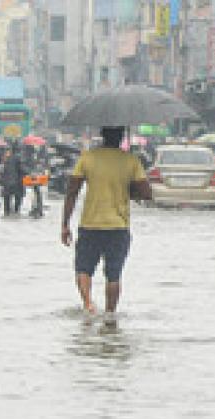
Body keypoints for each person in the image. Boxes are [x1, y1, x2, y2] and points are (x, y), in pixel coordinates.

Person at [61, 126, 151, 314]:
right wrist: (129, 188)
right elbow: (146, 193)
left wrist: (65, 224)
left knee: (83, 269)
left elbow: (72, 191)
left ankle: (88, 304)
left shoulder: (88, 157)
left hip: (90, 225)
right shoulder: (131, 160)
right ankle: (110, 315)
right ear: (121, 138)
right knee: (113, 275)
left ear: (102, 137)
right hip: (118, 226)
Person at [2, 147, 24, 215]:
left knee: (7, 198)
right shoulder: (19, 158)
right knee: (18, 197)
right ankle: (16, 211)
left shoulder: (6, 159)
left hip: (7, 182)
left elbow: (4, 170)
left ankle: (6, 212)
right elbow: (22, 169)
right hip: (17, 181)